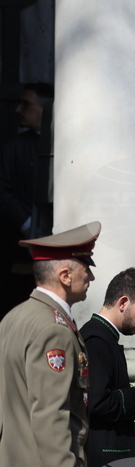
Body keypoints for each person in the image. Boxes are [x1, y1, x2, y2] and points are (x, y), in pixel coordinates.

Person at [0, 221, 100, 467]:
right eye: (87, 266)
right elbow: (52, 416)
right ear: (65, 276)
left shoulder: (15, 317)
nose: (92, 277)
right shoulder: (52, 328)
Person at [82, 267, 135, 467]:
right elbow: (97, 402)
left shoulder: (104, 337)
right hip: (105, 461)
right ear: (123, 303)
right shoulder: (96, 340)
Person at [0, 84, 53, 315]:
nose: (18, 110)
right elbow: (3, 191)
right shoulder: (14, 148)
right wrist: (28, 224)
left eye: (27, 104)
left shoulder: (66, 144)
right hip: (19, 248)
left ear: (46, 108)